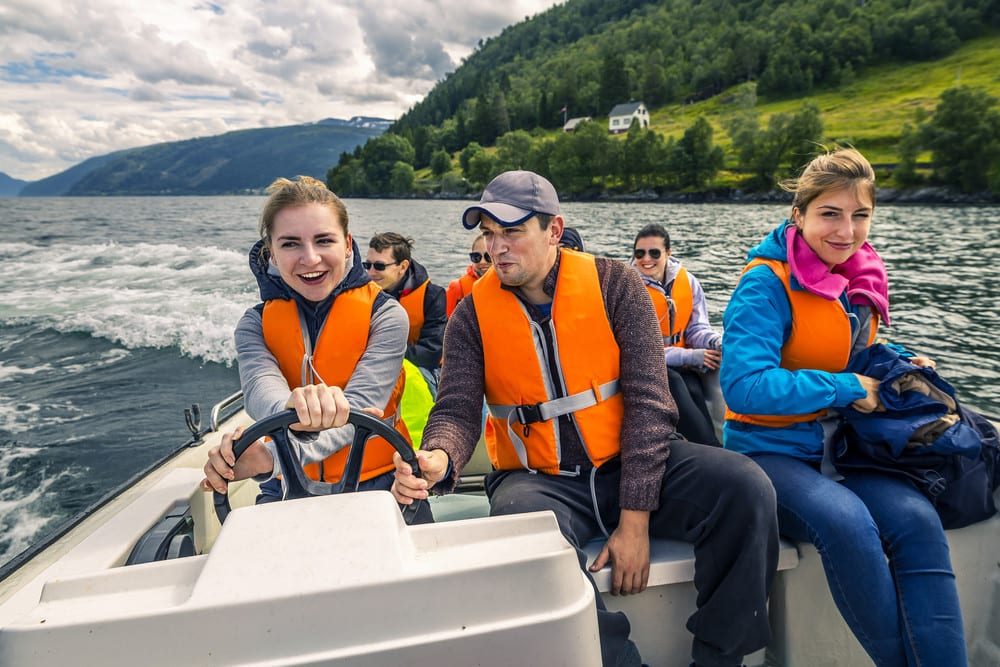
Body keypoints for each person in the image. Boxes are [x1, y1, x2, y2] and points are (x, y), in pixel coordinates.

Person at [391, 170, 779, 667]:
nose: (496, 248)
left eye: (511, 232)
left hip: (633, 463)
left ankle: (719, 659)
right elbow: (457, 408)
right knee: (519, 531)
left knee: (746, 488)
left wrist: (635, 520)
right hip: (538, 479)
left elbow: (651, 402)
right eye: (489, 233)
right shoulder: (471, 315)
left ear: (554, 230)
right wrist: (440, 457)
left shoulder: (617, 285)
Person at [720, 148, 965, 666]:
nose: (847, 232)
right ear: (799, 215)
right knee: (848, 524)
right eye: (830, 214)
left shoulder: (854, 281)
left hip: (847, 453)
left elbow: (847, 350)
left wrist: (899, 359)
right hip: (771, 456)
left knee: (918, 520)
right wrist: (848, 387)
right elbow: (743, 386)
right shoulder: (763, 286)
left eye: (860, 216)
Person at [201, 176, 432, 523]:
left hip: (384, 485)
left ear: (348, 244)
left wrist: (268, 459)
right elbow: (262, 394)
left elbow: (359, 413)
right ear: (272, 253)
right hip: (283, 488)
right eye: (291, 244)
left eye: (324, 241)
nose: (310, 259)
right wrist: (289, 409)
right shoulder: (253, 325)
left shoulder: (386, 316)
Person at [631, 224, 723, 445]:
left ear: (668, 253)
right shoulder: (628, 288)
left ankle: (713, 447)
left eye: (654, 253)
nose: (646, 259)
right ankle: (712, 449)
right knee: (676, 384)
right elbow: (639, 351)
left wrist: (716, 342)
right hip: (643, 366)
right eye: (639, 253)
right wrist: (689, 357)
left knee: (694, 386)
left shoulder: (688, 282)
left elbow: (696, 329)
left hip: (679, 360)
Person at [365, 232, 446, 397]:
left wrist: (386, 355)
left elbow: (431, 352)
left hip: (420, 370)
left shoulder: (432, 295)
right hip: (371, 367)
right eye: (367, 265)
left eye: (379, 266)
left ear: (403, 266)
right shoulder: (359, 294)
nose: (371, 273)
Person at [445, 233, 490, 317]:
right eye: (476, 257)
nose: (482, 262)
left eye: (489, 257)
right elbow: (446, 325)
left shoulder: (511, 284)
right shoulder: (458, 288)